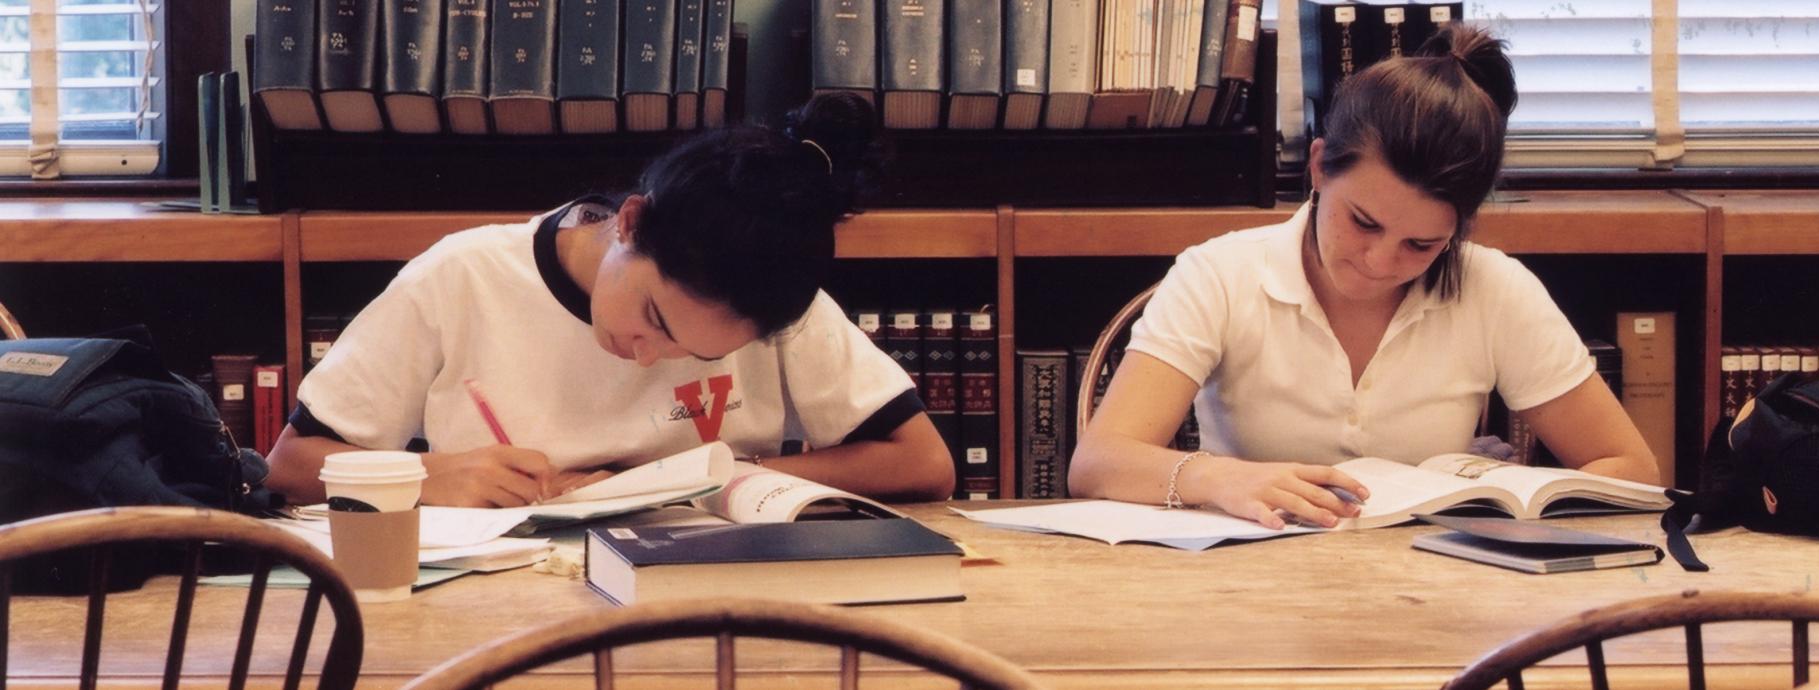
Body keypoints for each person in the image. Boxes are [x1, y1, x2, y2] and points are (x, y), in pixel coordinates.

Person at [1068, 25, 1660, 530]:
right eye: (1364, 222)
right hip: (1248, 591)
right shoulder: (1220, 275)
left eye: (1421, 244)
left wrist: (1512, 497)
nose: (1380, 262)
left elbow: (1631, 467)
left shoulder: (1492, 289)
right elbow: (1097, 464)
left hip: (1440, 591)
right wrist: (1222, 479)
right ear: (1321, 166)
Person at [265, 93, 955, 507]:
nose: (650, 359)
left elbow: (923, 463)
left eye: (697, 351)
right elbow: (289, 466)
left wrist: (719, 476)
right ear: (629, 223)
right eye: (655, 318)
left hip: (708, 602)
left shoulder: (771, 295)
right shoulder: (462, 276)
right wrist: (424, 476)